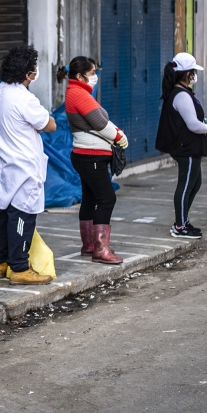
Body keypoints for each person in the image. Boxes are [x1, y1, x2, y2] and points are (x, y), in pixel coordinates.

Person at [0, 46, 56, 285]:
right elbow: (49, 124)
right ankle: (19, 267)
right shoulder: (24, 98)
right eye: (34, 68)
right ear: (29, 73)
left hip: (5, 165)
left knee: (3, 215)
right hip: (24, 167)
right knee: (22, 217)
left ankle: (0, 262)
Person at [59, 56, 127, 265]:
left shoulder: (76, 92)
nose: (95, 77)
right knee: (107, 199)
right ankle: (101, 249)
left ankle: (89, 245)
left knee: (90, 198)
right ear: (80, 76)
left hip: (86, 155)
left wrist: (114, 131)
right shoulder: (79, 94)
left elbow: (100, 121)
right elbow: (100, 123)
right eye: (92, 73)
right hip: (91, 156)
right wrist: (119, 137)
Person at [156, 53, 207, 239]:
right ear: (186, 73)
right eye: (192, 72)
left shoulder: (181, 92)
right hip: (186, 148)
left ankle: (183, 220)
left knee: (195, 183)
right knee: (186, 185)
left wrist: (203, 120)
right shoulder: (181, 95)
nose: (194, 75)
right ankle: (180, 226)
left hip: (188, 146)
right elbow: (193, 125)